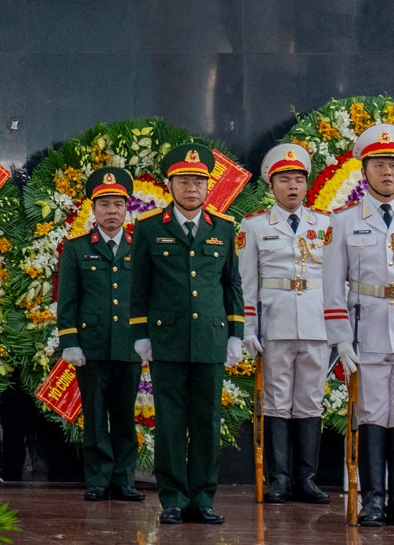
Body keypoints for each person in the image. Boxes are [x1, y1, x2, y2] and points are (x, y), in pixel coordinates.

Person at [129, 141, 245, 525]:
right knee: (170, 421)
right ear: (170, 185)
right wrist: (141, 333)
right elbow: (139, 287)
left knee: (207, 421)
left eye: (199, 181)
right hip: (168, 338)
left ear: (208, 186)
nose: (192, 188)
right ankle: (174, 499)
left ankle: (203, 498)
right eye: (184, 181)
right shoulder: (149, 228)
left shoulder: (223, 228)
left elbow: (232, 284)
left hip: (211, 338)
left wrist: (235, 333)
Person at [237, 142, 343, 505]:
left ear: (307, 184)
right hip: (276, 323)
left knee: (310, 401)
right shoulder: (254, 226)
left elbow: (337, 281)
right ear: (271, 185)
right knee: (277, 401)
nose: (293, 186)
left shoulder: (326, 224)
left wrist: (340, 327)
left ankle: (306, 478)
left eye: (299, 179)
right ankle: (279, 478)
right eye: (284, 180)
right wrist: (248, 328)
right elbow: (247, 284)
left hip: (316, 322)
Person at [55, 168, 144, 502]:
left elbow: (147, 296)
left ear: (127, 208)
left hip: (129, 345)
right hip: (90, 347)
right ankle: (98, 479)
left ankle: (124, 480)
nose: (111, 211)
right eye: (104, 204)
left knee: (124, 417)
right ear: (93, 209)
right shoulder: (77, 248)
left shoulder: (139, 247)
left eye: (118, 204)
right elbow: (68, 300)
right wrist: (70, 341)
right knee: (94, 417)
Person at [333, 124, 394, 527]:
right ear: (364, 170)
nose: (388, 171)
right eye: (380, 164)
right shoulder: (344, 221)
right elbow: (332, 287)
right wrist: (340, 338)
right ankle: (374, 499)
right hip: (367, 329)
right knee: (372, 414)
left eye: (393, 164)